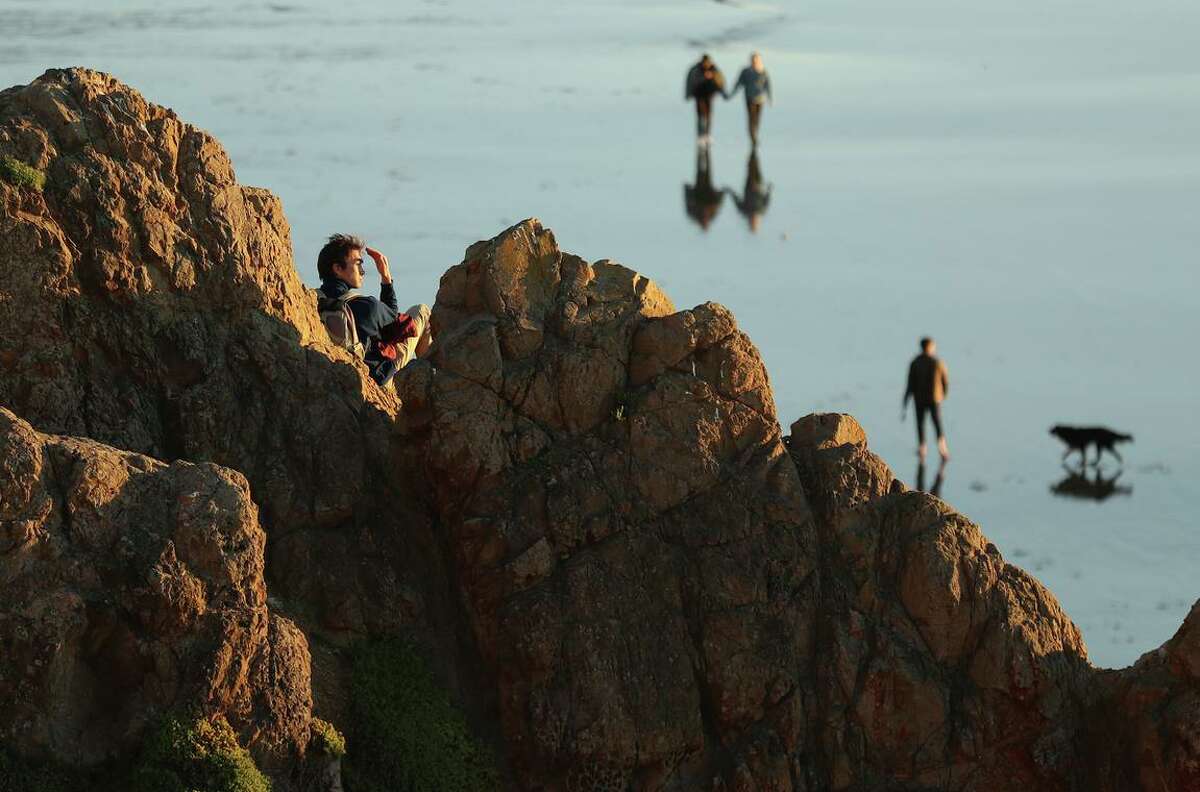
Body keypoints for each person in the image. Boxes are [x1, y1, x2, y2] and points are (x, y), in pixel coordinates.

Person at [317, 233, 432, 387]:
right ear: (337, 268)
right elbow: (398, 323)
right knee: (421, 311)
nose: (362, 271)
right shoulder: (367, 306)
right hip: (378, 379)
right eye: (358, 264)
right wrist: (386, 278)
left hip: (335, 372)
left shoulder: (314, 300)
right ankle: (432, 380)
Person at [902, 337, 950, 460]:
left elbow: (910, 384)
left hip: (920, 398)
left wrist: (906, 400)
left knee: (921, 423)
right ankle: (941, 449)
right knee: (936, 423)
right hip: (933, 399)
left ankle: (923, 448)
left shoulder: (915, 362)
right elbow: (945, 381)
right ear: (930, 347)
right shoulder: (937, 362)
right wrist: (943, 394)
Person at [728, 52, 772, 147]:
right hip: (749, 98)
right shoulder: (746, 71)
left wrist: (770, 98)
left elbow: (767, 85)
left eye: (757, 59)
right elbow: (739, 83)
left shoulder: (763, 71)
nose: (755, 61)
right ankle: (753, 138)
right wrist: (731, 94)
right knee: (751, 118)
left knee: (757, 119)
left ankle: (755, 133)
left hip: (760, 99)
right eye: (753, 60)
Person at [685, 54, 726, 146]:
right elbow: (691, 81)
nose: (706, 64)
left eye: (708, 62)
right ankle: (700, 136)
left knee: (708, 116)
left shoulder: (714, 69)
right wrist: (688, 94)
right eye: (705, 62)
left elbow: (720, 81)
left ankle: (707, 135)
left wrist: (723, 93)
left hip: (710, 95)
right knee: (700, 116)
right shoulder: (696, 69)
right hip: (699, 95)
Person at [725, 149, 772, 232]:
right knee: (756, 167)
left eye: (753, 223)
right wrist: (769, 189)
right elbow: (767, 199)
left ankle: (752, 151)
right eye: (754, 223)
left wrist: (730, 191)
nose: (753, 221)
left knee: (750, 167)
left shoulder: (744, 211)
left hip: (749, 185)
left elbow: (737, 200)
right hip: (758, 185)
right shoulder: (762, 210)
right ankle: (754, 151)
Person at [684, 145, 725, 230]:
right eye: (705, 222)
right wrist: (721, 193)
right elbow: (719, 203)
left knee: (700, 170)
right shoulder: (712, 215)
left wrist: (687, 189)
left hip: (700, 190)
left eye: (703, 222)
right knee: (707, 170)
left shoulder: (694, 214)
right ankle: (706, 150)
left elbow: (688, 202)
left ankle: (701, 150)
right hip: (707, 190)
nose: (704, 219)